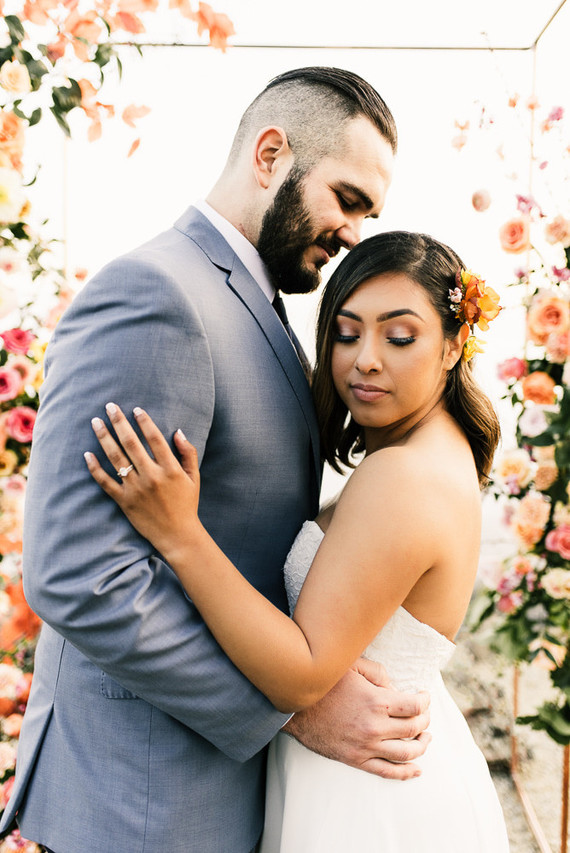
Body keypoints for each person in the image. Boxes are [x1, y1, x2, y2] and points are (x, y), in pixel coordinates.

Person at [0, 69, 431, 853]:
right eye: (346, 199)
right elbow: (78, 573)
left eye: (368, 214)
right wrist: (291, 707)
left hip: (212, 796)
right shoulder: (156, 295)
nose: (353, 234)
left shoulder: (259, 303)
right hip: (142, 805)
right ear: (271, 154)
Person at [85, 231, 510, 852]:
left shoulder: (404, 475)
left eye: (399, 337)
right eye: (346, 333)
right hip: (371, 769)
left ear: (453, 345)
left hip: (369, 797)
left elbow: (301, 676)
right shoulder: (434, 451)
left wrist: (179, 533)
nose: (365, 360)